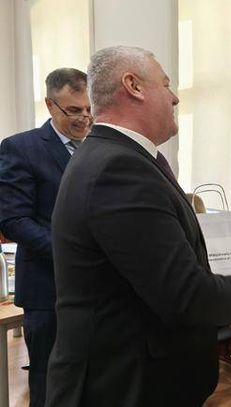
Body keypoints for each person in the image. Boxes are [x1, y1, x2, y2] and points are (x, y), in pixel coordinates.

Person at [44, 46, 231, 407]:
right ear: (133, 86)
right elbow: (183, 294)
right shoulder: (117, 168)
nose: (175, 97)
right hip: (124, 387)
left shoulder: (120, 157)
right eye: (167, 84)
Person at [0, 68, 91, 407]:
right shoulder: (20, 148)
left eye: (89, 109)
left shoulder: (99, 146)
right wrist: (73, 255)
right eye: (74, 110)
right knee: (51, 382)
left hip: (97, 290)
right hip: (47, 288)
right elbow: (14, 220)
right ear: (51, 105)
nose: (84, 118)